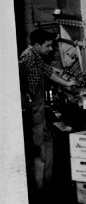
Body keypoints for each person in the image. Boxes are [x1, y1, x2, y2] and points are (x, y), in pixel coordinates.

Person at [19, 28, 76, 191]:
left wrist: (68, 83)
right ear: (37, 45)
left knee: (48, 142)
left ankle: (47, 181)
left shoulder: (36, 57)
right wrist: (24, 96)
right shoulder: (27, 58)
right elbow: (14, 78)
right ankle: (38, 188)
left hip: (39, 111)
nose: (51, 49)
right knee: (38, 151)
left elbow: (49, 72)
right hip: (32, 110)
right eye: (48, 46)